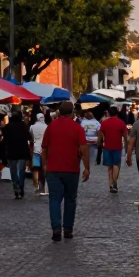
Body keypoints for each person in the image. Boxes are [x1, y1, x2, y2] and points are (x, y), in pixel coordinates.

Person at [41, 100, 90, 241]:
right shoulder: (77, 128)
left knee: (54, 200)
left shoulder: (51, 127)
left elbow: (44, 148)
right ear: (72, 113)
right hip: (71, 169)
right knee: (70, 199)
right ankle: (68, 229)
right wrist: (87, 168)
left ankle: (56, 228)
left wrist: (44, 165)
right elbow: (84, 149)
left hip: (53, 169)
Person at [2, 110, 31, 199]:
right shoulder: (23, 126)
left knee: (13, 172)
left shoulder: (7, 127)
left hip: (11, 152)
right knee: (21, 171)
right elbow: (29, 137)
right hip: (22, 152)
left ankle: (16, 189)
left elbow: (5, 139)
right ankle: (21, 186)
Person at [99, 106, 129, 193]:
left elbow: (101, 134)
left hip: (107, 147)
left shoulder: (104, 122)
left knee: (110, 167)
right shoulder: (121, 123)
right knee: (116, 165)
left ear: (109, 113)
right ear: (117, 113)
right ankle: (115, 183)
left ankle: (111, 184)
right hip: (117, 147)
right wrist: (127, 149)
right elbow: (125, 137)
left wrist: (100, 143)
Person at [29, 109, 48, 194]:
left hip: (36, 149)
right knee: (45, 167)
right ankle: (45, 186)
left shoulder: (32, 127)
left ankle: (38, 185)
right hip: (45, 149)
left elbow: (32, 138)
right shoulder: (47, 126)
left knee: (36, 168)